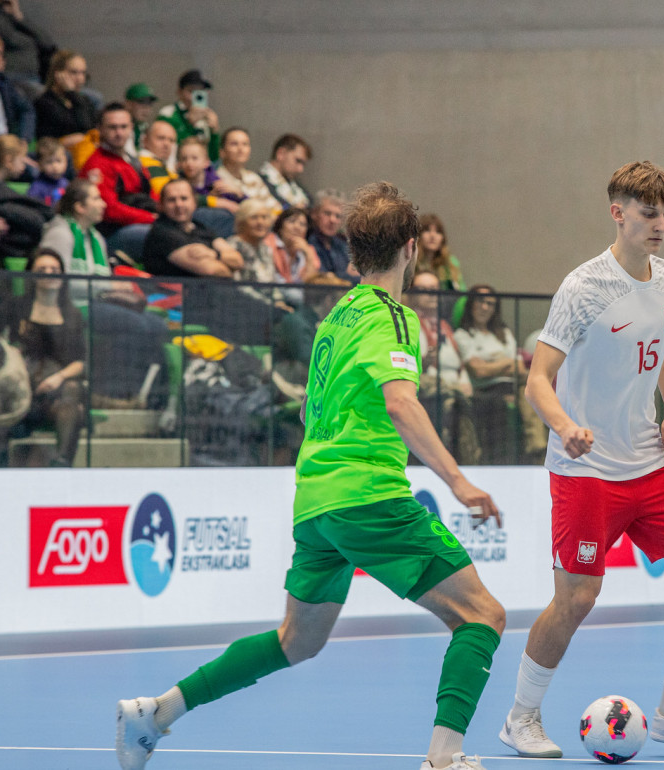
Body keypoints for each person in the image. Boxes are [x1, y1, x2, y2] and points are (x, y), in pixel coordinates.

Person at [116, 181, 505, 770]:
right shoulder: (393, 317)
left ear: (353, 254)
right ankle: (445, 759)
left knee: (296, 641)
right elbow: (401, 401)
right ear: (410, 249)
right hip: (368, 496)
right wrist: (458, 481)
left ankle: (156, 712)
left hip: (316, 501)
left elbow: (308, 410)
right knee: (482, 615)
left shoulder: (335, 318)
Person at [498, 161, 664, 759]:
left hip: (650, 462)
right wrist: (565, 427)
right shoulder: (584, 288)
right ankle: (520, 718)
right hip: (587, 470)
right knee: (577, 599)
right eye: (648, 213)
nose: (660, 225)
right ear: (617, 213)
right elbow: (538, 379)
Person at [0, 248, 85, 467]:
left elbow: (81, 361)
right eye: (42, 270)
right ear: (31, 276)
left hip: (55, 388)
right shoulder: (16, 306)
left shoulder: (73, 314)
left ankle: (62, 463)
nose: (49, 274)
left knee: (72, 395)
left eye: (55, 270)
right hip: (20, 385)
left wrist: (58, 378)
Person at [408, 270, 477, 464]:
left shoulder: (444, 325)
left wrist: (464, 381)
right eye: (424, 290)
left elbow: (457, 361)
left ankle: (467, 458)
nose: (431, 295)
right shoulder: (411, 322)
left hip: (452, 386)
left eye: (434, 289)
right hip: (428, 386)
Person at [454, 285, 524, 465]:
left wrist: (489, 363)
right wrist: (506, 361)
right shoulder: (463, 334)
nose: (485, 307)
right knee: (500, 404)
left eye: (490, 303)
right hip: (485, 390)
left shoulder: (504, 333)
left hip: (515, 385)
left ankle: (537, 451)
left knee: (533, 395)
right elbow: (478, 371)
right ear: (470, 304)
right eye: (480, 301)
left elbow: (520, 367)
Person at [80, 103, 156, 243]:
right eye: (112, 127)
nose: (119, 133)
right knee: (163, 235)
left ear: (131, 127)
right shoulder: (97, 165)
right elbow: (109, 211)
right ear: (100, 129)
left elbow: (151, 194)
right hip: (111, 231)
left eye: (123, 127)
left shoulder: (132, 160)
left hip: (139, 222)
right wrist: (151, 218)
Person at [140, 178, 239, 278]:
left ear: (194, 202)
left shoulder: (199, 227)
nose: (179, 204)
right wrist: (226, 262)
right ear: (161, 205)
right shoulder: (162, 233)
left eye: (184, 198)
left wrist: (213, 254)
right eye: (171, 200)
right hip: (177, 288)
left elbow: (238, 261)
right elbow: (216, 271)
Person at [38, 177, 108, 278]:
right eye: (96, 199)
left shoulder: (97, 238)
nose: (103, 204)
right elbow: (53, 281)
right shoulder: (60, 235)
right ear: (80, 207)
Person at [32, 49, 97, 149]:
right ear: (58, 74)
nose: (80, 78)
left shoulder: (84, 100)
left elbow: (87, 127)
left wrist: (71, 94)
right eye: (74, 72)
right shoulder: (44, 102)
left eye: (83, 73)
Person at [156, 69, 220, 161]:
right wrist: (189, 124)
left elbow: (213, 157)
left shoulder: (208, 117)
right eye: (191, 91)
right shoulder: (168, 114)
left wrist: (214, 133)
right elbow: (167, 148)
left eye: (200, 92)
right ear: (179, 92)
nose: (195, 96)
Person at [214, 127, 280, 213]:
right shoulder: (217, 178)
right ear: (222, 152)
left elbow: (276, 209)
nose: (241, 149)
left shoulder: (253, 178)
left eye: (245, 144)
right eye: (234, 144)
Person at [307, 189, 359, 282]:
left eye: (338, 216)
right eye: (327, 213)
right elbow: (322, 279)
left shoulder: (343, 245)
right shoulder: (307, 242)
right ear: (314, 214)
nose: (333, 220)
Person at [271, 206, 322, 285]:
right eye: (292, 221)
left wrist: (308, 254)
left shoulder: (309, 250)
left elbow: (310, 283)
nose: (297, 227)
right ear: (280, 227)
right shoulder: (270, 243)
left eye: (302, 224)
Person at [259, 133, 311, 211]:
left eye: (303, 164)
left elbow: (311, 206)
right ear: (281, 154)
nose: (300, 169)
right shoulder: (258, 182)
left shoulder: (296, 185)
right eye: (298, 161)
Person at [137, 121, 177, 197]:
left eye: (171, 140)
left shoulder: (163, 165)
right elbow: (171, 195)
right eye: (161, 138)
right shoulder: (145, 163)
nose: (167, 144)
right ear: (145, 140)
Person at [26, 136, 68, 207]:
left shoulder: (66, 184)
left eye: (58, 161)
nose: (55, 166)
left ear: (66, 161)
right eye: (49, 162)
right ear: (40, 165)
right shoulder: (36, 188)